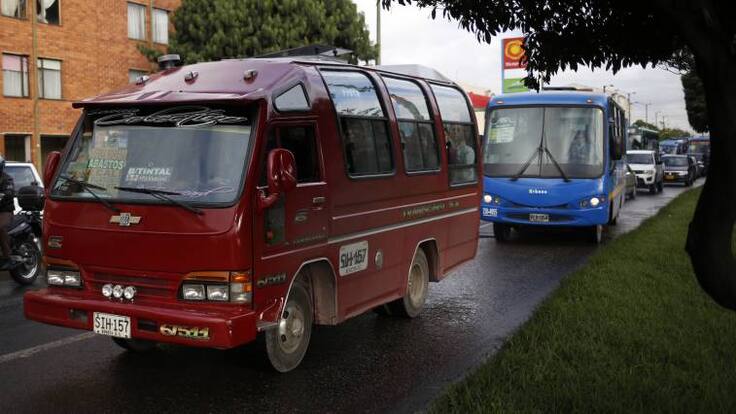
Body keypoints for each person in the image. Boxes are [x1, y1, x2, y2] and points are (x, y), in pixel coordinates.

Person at [0, 155, 17, 270]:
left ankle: (8, 257)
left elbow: (9, 191)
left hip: (5, 211)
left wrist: (5, 193)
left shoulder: (7, 179)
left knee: (0, 227)